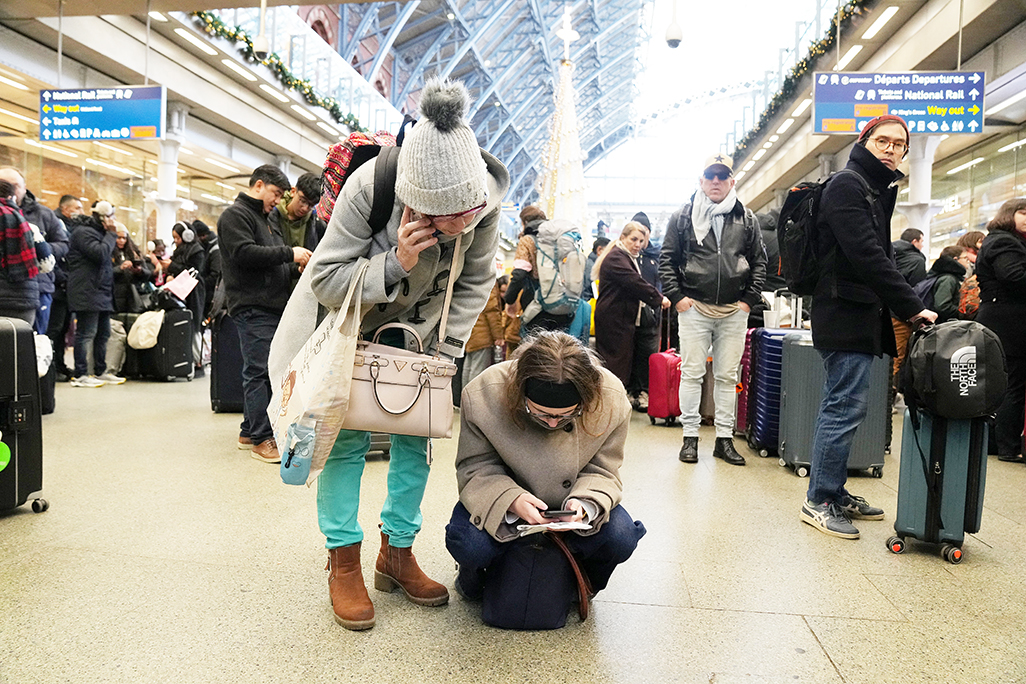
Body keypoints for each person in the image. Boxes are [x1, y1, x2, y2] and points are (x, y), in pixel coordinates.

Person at [268, 77, 510, 631]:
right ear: (416, 204)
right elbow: (325, 281)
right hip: (350, 329)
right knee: (344, 440)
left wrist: (446, 351)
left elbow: (474, 283)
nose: (462, 227)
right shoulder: (367, 189)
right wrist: (395, 264)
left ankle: (396, 552)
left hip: (422, 341)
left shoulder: (483, 204)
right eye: (447, 220)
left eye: (470, 213)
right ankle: (343, 560)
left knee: (417, 440)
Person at [800, 114, 936, 539]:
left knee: (848, 406)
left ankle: (833, 489)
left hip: (858, 312)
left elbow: (878, 255)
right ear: (865, 141)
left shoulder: (873, 188)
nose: (893, 149)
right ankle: (819, 500)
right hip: (843, 312)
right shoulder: (848, 185)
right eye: (884, 141)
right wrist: (913, 307)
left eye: (900, 144)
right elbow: (868, 256)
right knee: (842, 407)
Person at [445, 330, 646, 605]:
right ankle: (472, 581)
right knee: (467, 544)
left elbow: (605, 468)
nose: (552, 424)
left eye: (565, 416)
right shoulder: (484, 394)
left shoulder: (610, 397)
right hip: (506, 504)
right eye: (540, 414)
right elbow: (475, 466)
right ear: (520, 392)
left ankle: (585, 582)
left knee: (622, 537)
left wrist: (585, 503)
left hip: (572, 506)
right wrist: (511, 500)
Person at [658, 153, 766, 466]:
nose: (716, 182)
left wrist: (749, 300)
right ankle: (689, 438)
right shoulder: (683, 216)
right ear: (702, 181)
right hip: (694, 307)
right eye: (711, 176)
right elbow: (668, 259)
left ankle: (723, 439)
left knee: (727, 376)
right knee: (691, 373)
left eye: (722, 176)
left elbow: (759, 261)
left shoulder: (746, 218)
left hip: (734, 310)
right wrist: (678, 297)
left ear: (732, 181)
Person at [220, 165, 311, 463]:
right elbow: (244, 253)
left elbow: (267, 261)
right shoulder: (235, 216)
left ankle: (248, 431)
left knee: (265, 369)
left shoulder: (264, 220)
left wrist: (292, 266)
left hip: (269, 306)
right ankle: (262, 438)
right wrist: (289, 253)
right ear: (259, 185)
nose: (278, 200)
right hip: (252, 305)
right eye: (276, 193)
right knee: (259, 371)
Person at [593, 221, 669, 405]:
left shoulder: (624, 256)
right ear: (623, 237)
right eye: (634, 239)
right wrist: (659, 299)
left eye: (641, 241)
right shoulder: (617, 258)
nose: (638, 244)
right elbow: (635, 282)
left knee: (619, 362)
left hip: (620, 319)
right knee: (614, 363)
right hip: (613, 320)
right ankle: (608, 402)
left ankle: (612, 401)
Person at [974, 198, 1026, 463]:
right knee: (1012, 385)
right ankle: (1008, 447)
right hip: (1009, 322)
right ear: (1009, 214)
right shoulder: (1004, 241)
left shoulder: (1002, 240)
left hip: (1003, 319)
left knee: (1006, 383)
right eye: (1023, 212)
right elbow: (1014, 276)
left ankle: (1001, 444)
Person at [0, 167, 69, 335]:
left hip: (38, 288)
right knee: (27, 348)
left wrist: (34, 249)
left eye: (14, 184)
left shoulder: (43, 214)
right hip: (25, 293)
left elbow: (63, 243)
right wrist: (33, 251)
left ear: (24, 187)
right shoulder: (30, 227)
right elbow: (47, 264)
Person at [66, 200, 125, 388]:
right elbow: (100, 253)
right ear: (103, 218)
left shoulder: (99, 233)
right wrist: (111, 234)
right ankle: (81, 374)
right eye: (110, 217)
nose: (113, 221)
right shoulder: (83, 233)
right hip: (87, 290)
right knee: (86, 333)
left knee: (103, 333)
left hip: (101, 291)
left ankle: (100, 371)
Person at [503, 205, 571, 335]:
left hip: (536, 304)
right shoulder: (559, 239)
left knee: (536, 347)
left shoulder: (527, 241)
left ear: (525, 222)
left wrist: (509, 300)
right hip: (561, 303)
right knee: (557, 346)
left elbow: (519, 274)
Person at [625, 212, 663, 411]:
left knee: (648, 354)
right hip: (629, 314)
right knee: (629, 353)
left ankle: (645, 392)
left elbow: (661, 284)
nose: (640, 240)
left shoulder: (655, 257)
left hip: (650, 315)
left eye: (644, 234)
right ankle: (631, 391)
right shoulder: (625, 256)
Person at [0, 179, 51, 324]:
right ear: (12, 198)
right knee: (18, 345)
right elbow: (47, 265)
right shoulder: (28, 227)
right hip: (21, 301)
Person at [268, 172, 325, 289]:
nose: (305, 208)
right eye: (303, 201)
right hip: (271, 288)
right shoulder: (271, 216)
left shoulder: (317, 225)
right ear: (293, 191)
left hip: (300, 289)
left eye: (311, 205)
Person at [167, 221, 208, 373]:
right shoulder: (179, 251)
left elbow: (193, 272)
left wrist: (170, 267)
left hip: (194, 293)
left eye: (177, 238)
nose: (176, 241)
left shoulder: (197, 251)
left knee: (194, 325)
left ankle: (197, 360)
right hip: (181, 292)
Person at [890, 227, 928, 385]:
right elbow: (917, 290)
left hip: (882, 312)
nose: (922, 246)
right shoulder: (917, 260)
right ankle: (888, 397)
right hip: (901, 315)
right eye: (922, 242)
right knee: (897, 358)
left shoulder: (889, 252)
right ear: (914, 242)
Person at [50, 195, 82, 379]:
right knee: (54, 329)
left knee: (63, 330)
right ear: (66, 209)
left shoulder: (71, 228)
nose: (81, 212)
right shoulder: (56, 227)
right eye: (77, 207)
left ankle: (60, 365)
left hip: (66, 288)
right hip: (57, 287)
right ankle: (51, 368)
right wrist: (64, 278)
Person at [463, 274, 509, 388]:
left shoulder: (472, 279)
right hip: (483, 334)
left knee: (468, 368)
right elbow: (492, 311)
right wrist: (498, 336)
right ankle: (473, 401)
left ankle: (461, 401)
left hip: (471, 331)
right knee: (477, 371)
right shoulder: (489, 282)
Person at [919, 245, 969, 324]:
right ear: (956, 259)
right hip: (944, 324)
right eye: (965, 258)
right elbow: (942, 306)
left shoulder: (943, 275)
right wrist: (963, 313)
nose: (968, 261)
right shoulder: (948, 279)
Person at [111, 223, 153, 314]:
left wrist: (139, 271)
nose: (122, 241)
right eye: (119, 238)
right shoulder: (109, 253)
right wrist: (120, 268)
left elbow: (147, 274)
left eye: (124, 238)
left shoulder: (133, 253)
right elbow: (105, 273)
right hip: (114, 296)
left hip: (132, 296)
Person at [191, 220, 221, 319]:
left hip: (211, 295)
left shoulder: (215, 249)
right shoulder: (207, 246)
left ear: (203, 236)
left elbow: (215, 275)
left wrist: (199, 284)